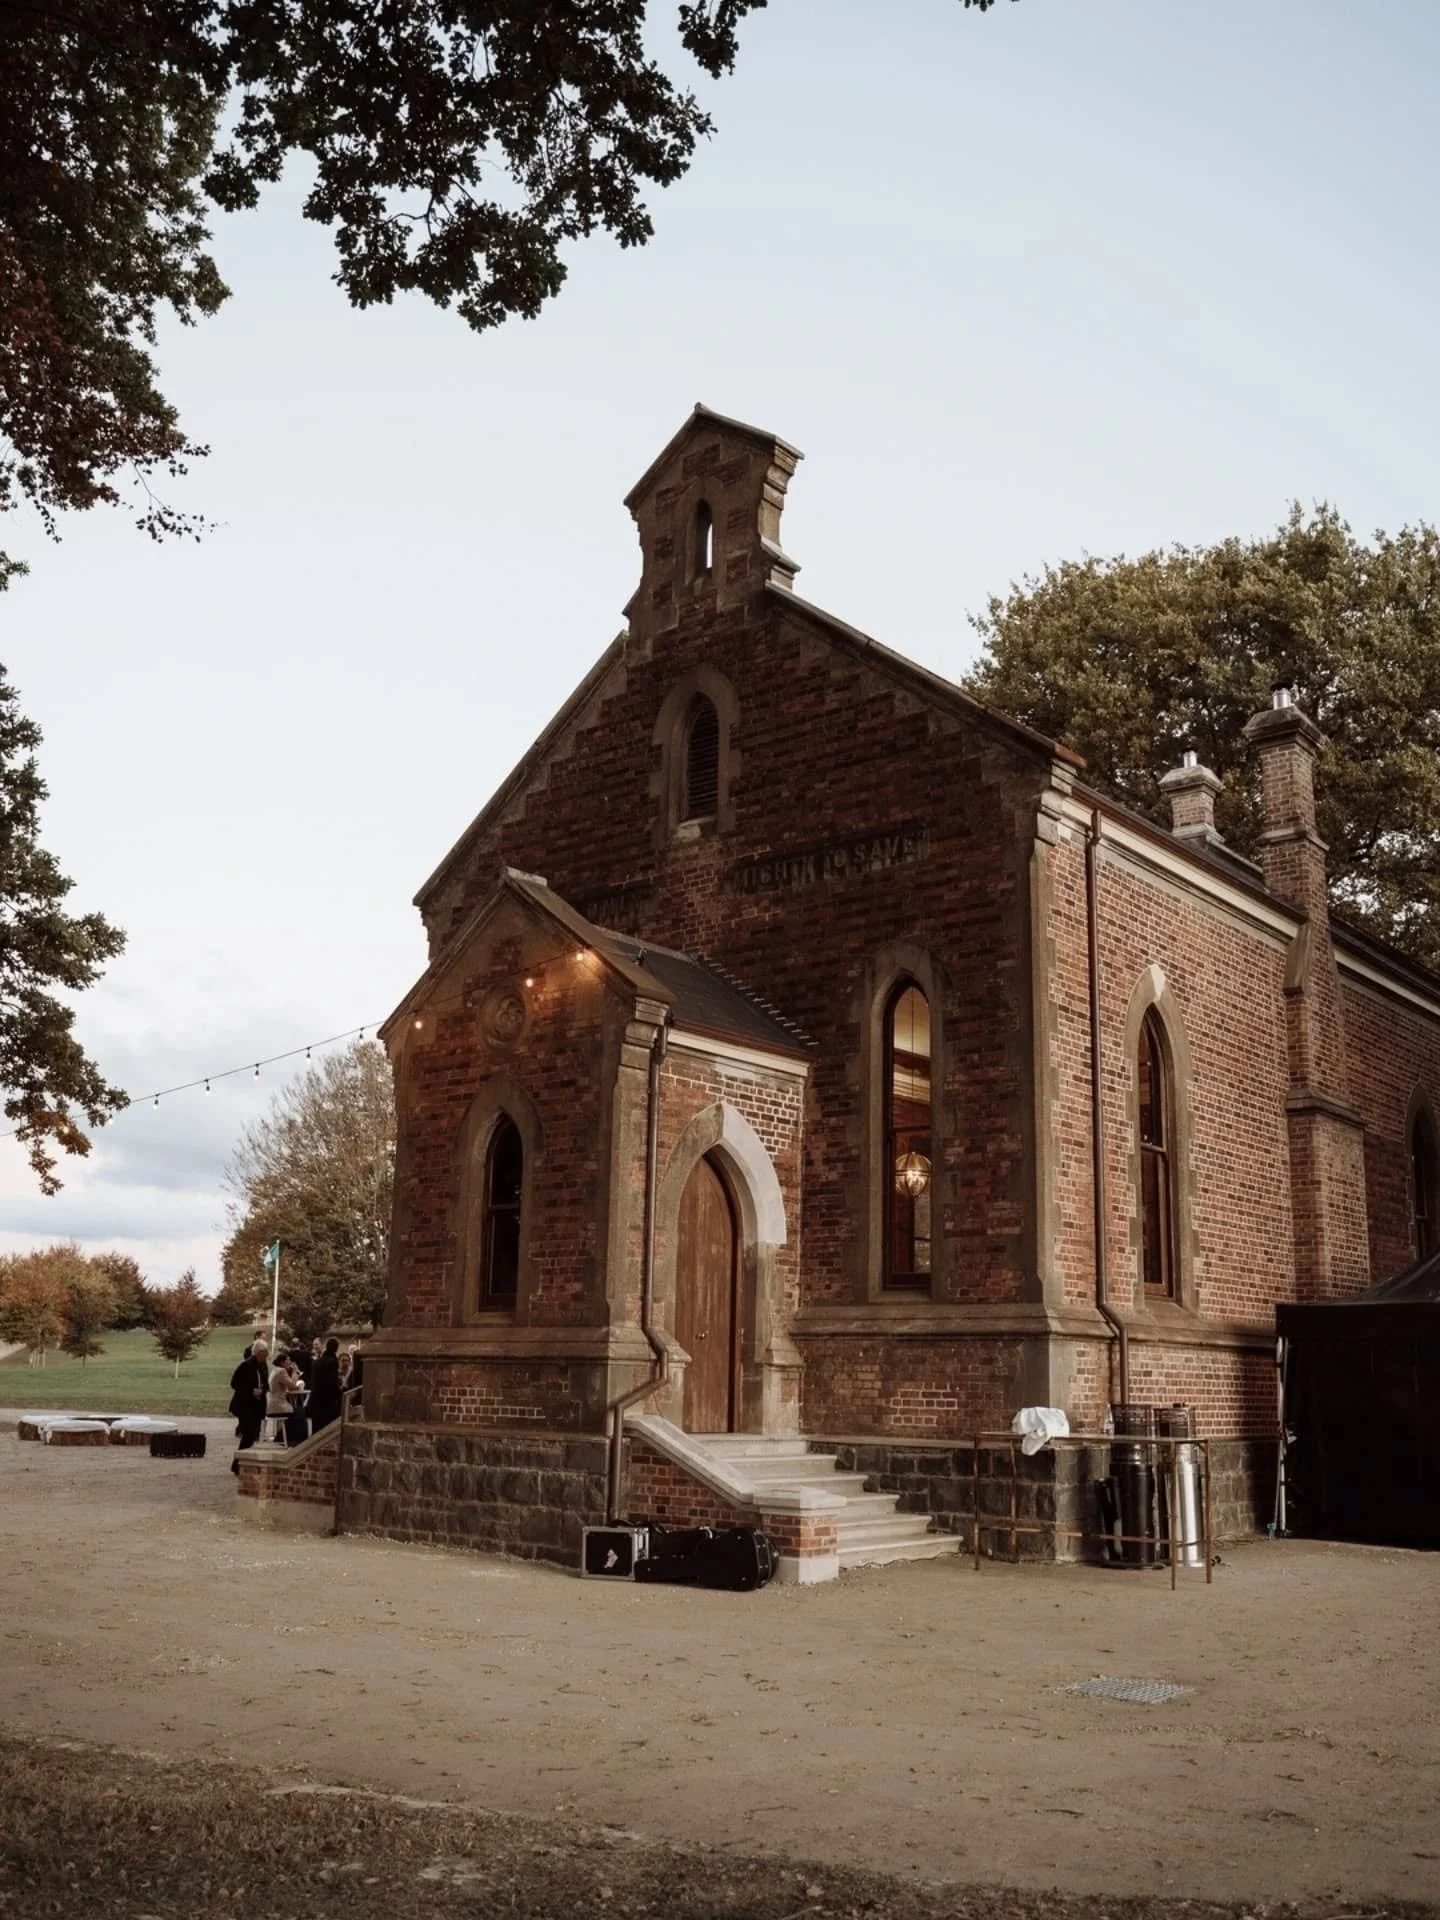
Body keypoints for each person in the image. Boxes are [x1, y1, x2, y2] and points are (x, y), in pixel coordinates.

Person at [228, 1339, 269, 1470]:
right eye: (264, 1352)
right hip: (245, 1405)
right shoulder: (245, 1366)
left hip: (257, 1406)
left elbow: (265, 1381)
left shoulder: (263, 1365)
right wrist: (251, 1390)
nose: (266, 1355)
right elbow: (234, 1383)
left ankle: (241, 1463)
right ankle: (237, 1464)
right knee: (248, 1434)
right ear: (258, 1352)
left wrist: (263, 1389)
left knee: (252, 1435)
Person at [307, 1336, 342, 1432]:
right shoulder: (333, 1361)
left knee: (317, 1428)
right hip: (327, 1401)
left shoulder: (316, 1362)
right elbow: (332, 1382)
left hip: (315, 1398)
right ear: (336, 1348)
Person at [265, 1350, 300, 1443]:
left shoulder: (275, 1370)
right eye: (288, 1360)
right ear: (282, 1362)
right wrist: (295, 1372)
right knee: (299, 1412)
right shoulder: (281, 1371)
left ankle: (282, 1436)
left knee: (295, 1412)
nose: (290, 1362)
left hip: (272, 1404)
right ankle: (289, 1438)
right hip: (278, 1405)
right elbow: (292, 1385)